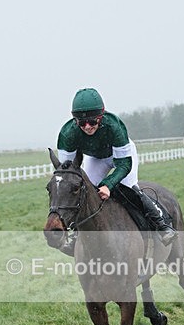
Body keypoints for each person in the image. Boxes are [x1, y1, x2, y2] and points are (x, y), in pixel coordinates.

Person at [56, 88, 176, 251]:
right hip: (96, 158)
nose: (87, 127)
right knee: (84, 192)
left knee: (128, 189)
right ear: (75, 121)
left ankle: (162, 225)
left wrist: (108, 185)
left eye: (92, 122)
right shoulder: (67, 134)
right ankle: (76, 235)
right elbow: (67, 173)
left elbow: (124, 165)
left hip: (121, 157)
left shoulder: (114, 126)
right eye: (82, 123)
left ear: (101, 116)